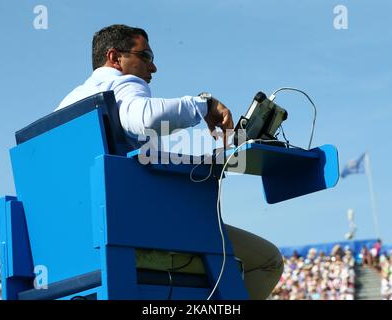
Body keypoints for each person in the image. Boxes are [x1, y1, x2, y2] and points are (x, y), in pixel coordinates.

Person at [56, 24, 283, 299]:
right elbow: (145, 119)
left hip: (66, 256)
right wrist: (205, 105)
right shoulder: (122, 83)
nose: (153, 69)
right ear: (115, 58)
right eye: (146, 57)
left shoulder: (65, 106)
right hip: (133, 241)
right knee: (268, 260)